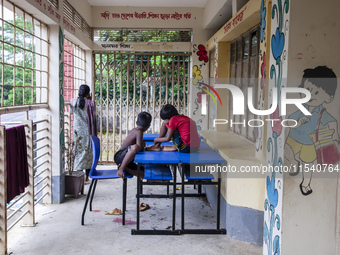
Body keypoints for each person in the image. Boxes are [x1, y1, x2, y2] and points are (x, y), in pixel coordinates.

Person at [285, 66, 339, 195]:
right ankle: (293, 162)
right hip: (294, 138)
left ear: (329, 98)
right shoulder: (301, 108)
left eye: (316, 93)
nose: (311, 96)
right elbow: (289, 122)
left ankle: (306, 183)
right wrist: (298, 124)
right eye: (308, 90)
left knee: (308, 165)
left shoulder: (321, 113)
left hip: (310, 143)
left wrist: (336, 135)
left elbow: (332, 122)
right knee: (286, 150)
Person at [70, 84, 97, 183]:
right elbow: (93, 116)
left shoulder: (73, 102)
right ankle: (87, 176)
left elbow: (71, 111)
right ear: (88, 93)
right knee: (88, 153)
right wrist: (89, 99)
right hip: (88, 131)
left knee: (78, 153)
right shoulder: (91, 103)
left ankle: (79, 176)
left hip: (77, 132)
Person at [114, 112, 152, 179]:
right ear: (148, 127)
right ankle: (121, 169)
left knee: (144, 173)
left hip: (126, 160)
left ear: (136, 122)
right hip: (120, 157)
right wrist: (143, 145)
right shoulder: (139, 132)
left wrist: (143, 145)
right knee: (135, 147)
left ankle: (127, 169)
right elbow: (138, 147)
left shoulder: (135, 130)